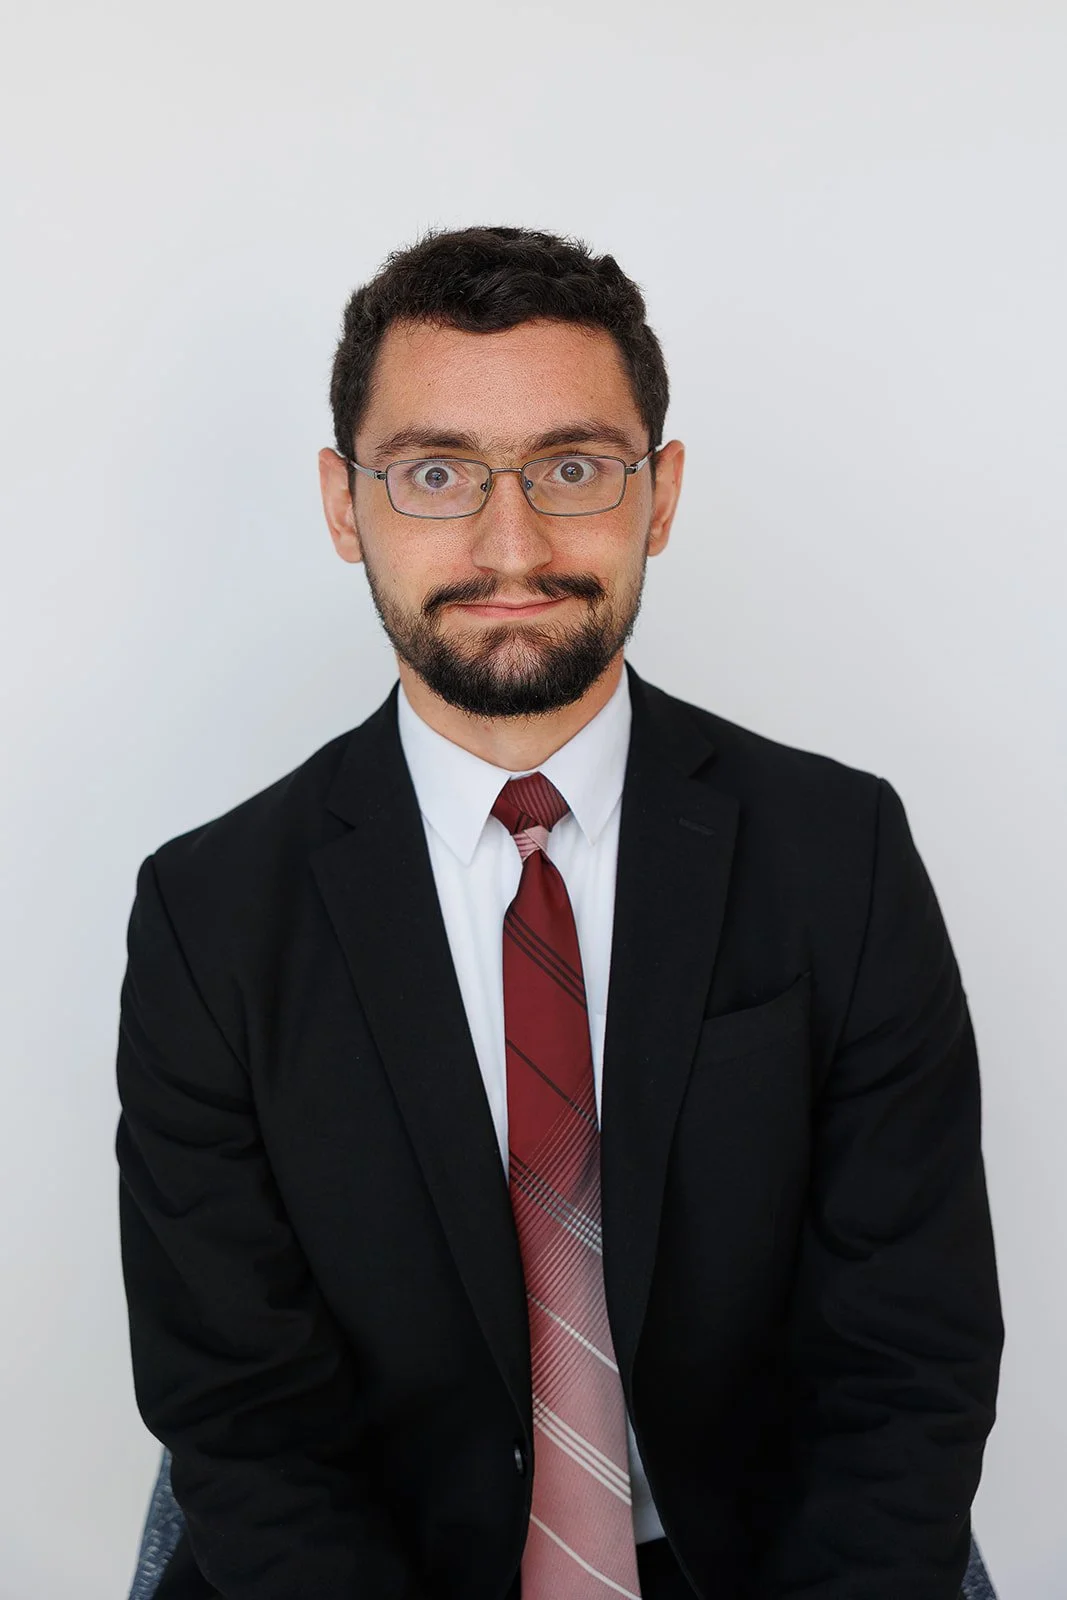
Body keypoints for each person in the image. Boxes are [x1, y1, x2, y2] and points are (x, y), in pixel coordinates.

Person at [115, 224, 1003, 1600]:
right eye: (435, 474)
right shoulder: (210, 914)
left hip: (764, 1558)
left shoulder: (841, 854)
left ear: (661, 495)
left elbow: (906, 1359)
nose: (510, 544)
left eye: (574, 468)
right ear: (345, 507)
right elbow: (243, 1413)